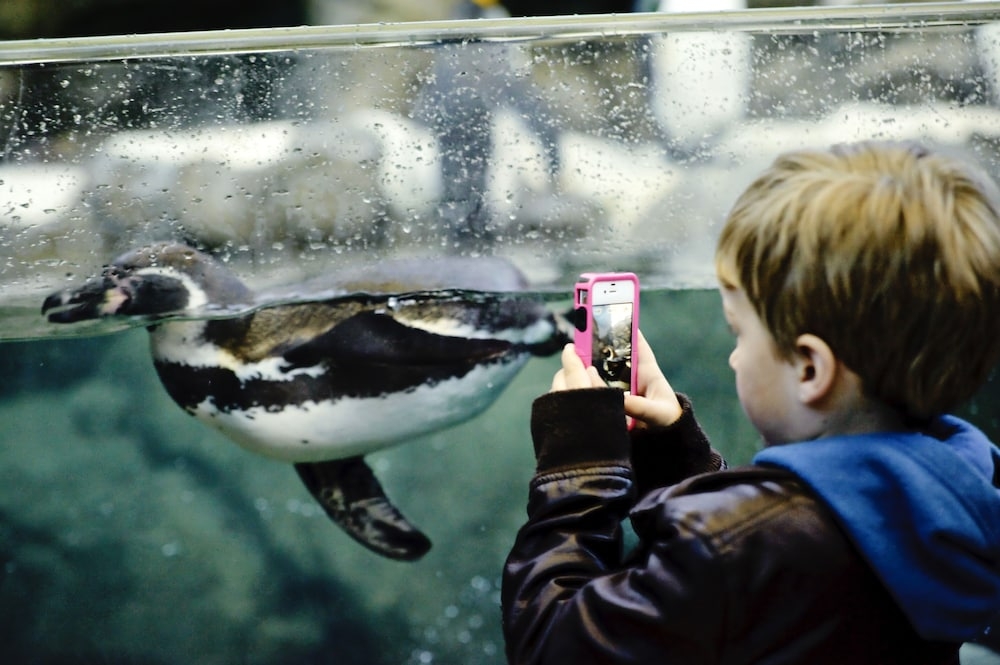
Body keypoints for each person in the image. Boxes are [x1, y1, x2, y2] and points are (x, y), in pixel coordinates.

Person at [502, 140, 1000, 664]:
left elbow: (554, 645)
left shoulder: (728, 547)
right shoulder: (958, 499)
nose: (735, 358)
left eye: (740, 333)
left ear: (810, 369)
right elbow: (768, 585)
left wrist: (578, 474)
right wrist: (676, 457)